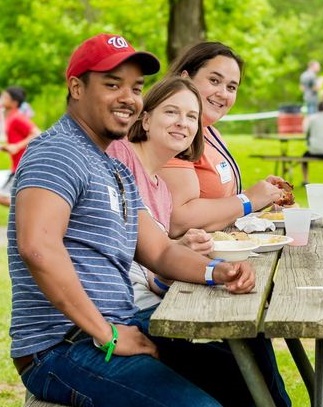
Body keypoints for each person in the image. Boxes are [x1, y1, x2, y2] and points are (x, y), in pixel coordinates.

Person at [8, 33, 257, 407]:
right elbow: (38, 247)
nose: (128, 96)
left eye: (136, 87)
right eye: (112, 85)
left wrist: (219, 271)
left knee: (246, 377)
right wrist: (105, 332)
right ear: (76, 87)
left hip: (117, 327)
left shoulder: (113, 168)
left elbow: (158, 250)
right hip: (62, 347)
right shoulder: (58, 151)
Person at [107, 76, 291, 407]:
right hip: (124, 320)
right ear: (145, 118)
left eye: (191, 117)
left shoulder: (160, 187)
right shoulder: (120, 156)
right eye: (171, 112)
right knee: (244, 372)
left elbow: (153, 267)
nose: (183, 123)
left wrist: (185, 253)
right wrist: (201, 264)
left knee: (254, 347)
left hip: (149, 305)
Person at [159, 41, 286, 237]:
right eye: (214, 81)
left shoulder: (212, 133)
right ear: (185, 78)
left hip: (226, 247)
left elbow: (224, 203)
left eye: (232, 87)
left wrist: (261, 196)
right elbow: (177, 220)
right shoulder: (174, 132)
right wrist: (249, 198)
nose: (223, 94)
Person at [0, 86, 41, 206]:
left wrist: (17, 146)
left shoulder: (17, 117)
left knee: (10, 198)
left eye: (5, 97)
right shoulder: (10, 117)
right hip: (17, 166)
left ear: (14, 102)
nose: (2, 98)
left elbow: (37, 133)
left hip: (23, 165)